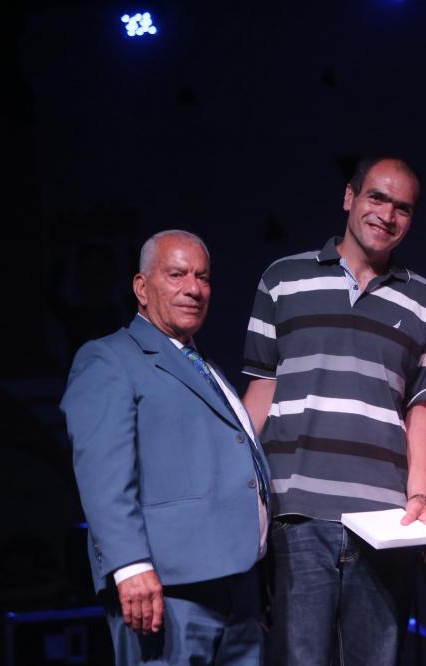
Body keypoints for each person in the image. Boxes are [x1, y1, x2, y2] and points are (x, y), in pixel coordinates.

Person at [241, 156, 426, 665]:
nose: (387, 215)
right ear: (349, 197)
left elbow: (423, 408)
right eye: (377, 197)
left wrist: (418, 498)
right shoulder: (283, 279)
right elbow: (262, 389)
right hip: (297, 512)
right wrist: (240, 492)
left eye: (403, 208)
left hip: (385, 518)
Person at [61, 230, 270, 665]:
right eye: (177, 275)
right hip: (167, 590)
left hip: (238, 589)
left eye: (203, 277)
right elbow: (103, 478)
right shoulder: (109, 359)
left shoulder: (203, 366)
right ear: (141, 288)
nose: (193, 288)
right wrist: (130, 565)